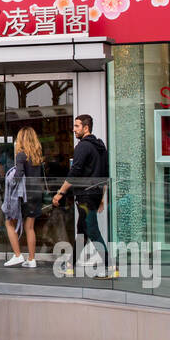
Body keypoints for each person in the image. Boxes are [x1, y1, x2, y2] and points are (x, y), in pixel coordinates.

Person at [52, 115, 114, 278]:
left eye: (77, 126)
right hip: (95, 194)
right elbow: (105, 175)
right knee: (82, 231)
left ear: (86, 128)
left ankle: (109, 267)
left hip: (85, 195)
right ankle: (70, 265)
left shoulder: (83, 147)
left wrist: (60, 193)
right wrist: (101, 198)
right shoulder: (100, 147)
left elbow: (74, 172)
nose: (74, 129)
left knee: (92, 231)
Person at [3, 126, 48, 268]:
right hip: (36, 195)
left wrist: (11, 178)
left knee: (9, 222)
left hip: (24, 196)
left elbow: (19, 175)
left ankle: (17, 255)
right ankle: (31, 259)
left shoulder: (21, 155)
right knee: (30, 227)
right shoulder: (37, 156)